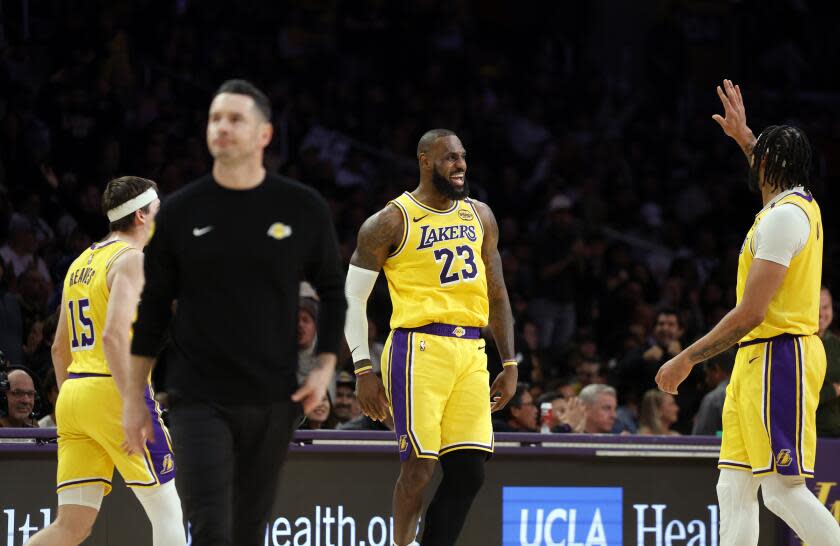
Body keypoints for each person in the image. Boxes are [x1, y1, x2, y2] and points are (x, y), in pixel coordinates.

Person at [124, 80, 346, 546]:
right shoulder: (182, 211)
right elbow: (152, 311)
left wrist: (325, 366)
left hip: (273, 398)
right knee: (211, 527)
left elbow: (333, 289)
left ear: (264, 134)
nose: (222, 126)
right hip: (197, 396)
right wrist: (132, 397)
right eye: (215, 118)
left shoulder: (301, 206)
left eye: (235, 118)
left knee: (246, 531)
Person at [656, 79, 840, 545]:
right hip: (757, 361)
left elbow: (751, 312)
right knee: (733, 486)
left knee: (780, 491)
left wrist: (687, 358)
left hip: (781, 356)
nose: (753, 162)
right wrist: (745, 137)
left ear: (770, 169)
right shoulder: (793, 203)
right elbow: (770, 161)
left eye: (759, 156)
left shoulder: (783, 218)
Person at [344, 128, 517, 546]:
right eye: (449, 158)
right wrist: (363, 368)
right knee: (419, 468)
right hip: (416, 349)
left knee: (470, 471)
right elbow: (351, 298)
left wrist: (509, 362)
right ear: (425, 161)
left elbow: (497, 293)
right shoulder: (389, 221)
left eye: (462, 157)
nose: (460, 165)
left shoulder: (480, 215)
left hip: (471, 351)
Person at [28, 176, 186, 546]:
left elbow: (57, 348)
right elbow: (114, 336)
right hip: (114, 390)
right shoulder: (132, 260)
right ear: (142, 216)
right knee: (167, 508)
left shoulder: (80, 262)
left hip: (74, 394)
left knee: (72, 526)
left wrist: (77, 407)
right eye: (158, 209)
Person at [692, 350, 735, 436]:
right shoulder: (749, 391)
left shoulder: (713, 399)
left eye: (707, 373)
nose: (706, 380)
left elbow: (701, 437)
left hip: (721, 447)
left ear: (716, 370)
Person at [816, 286, 840, 436]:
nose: (820, 314)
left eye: (825, 307)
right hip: (807, 434)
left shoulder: (836, 344)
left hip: (835, 435)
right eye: (815, 307)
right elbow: (798, 397)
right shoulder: (795, 346)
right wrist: (833, 390)